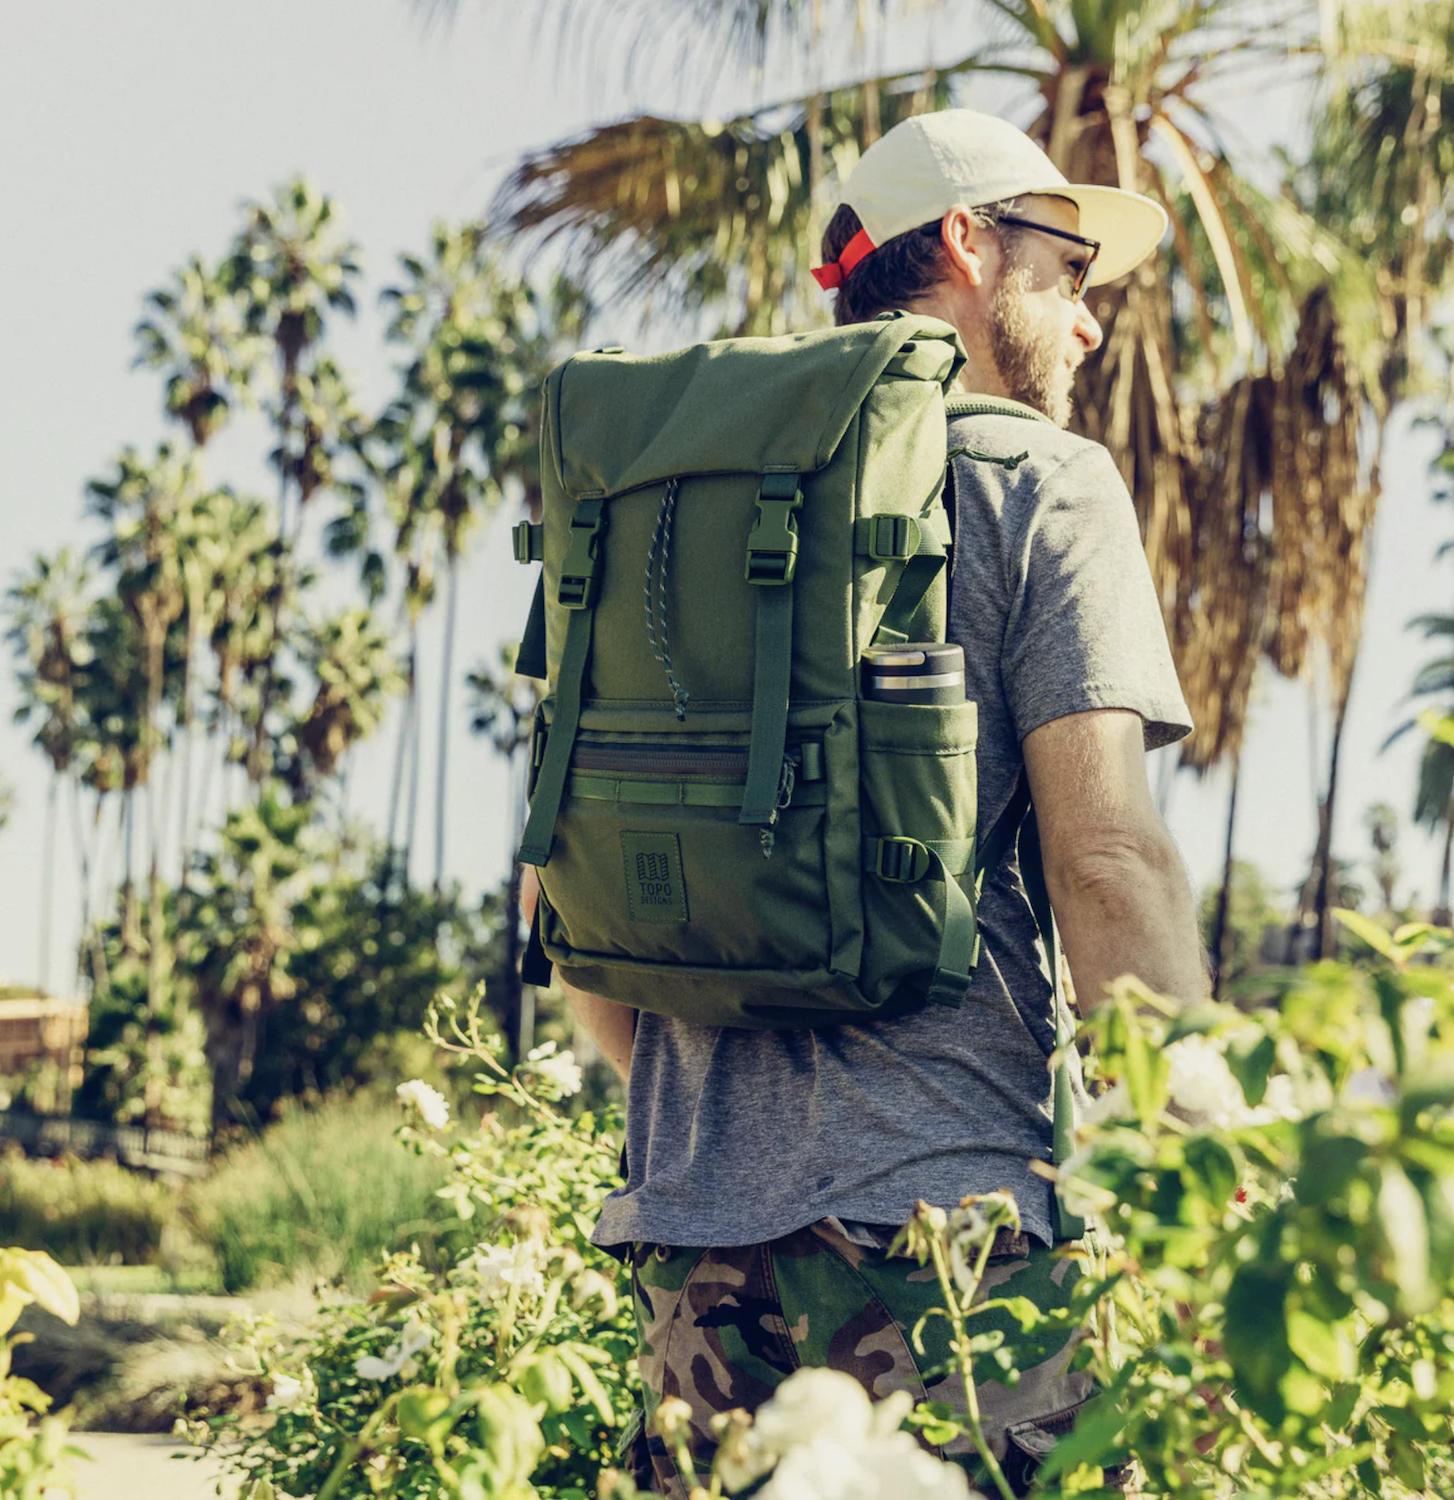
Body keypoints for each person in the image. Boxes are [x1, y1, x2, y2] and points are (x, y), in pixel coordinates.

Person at [521, 107, 1204, 1497]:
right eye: (1069, 269)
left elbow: (566, 900)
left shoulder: (676, 490)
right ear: (966, 243)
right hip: (954, 1252)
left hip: (697, 1276)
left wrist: (714, 1128)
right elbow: (1111, 863)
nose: (1087, 322)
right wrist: (1201, 1167)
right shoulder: (1043, 479)